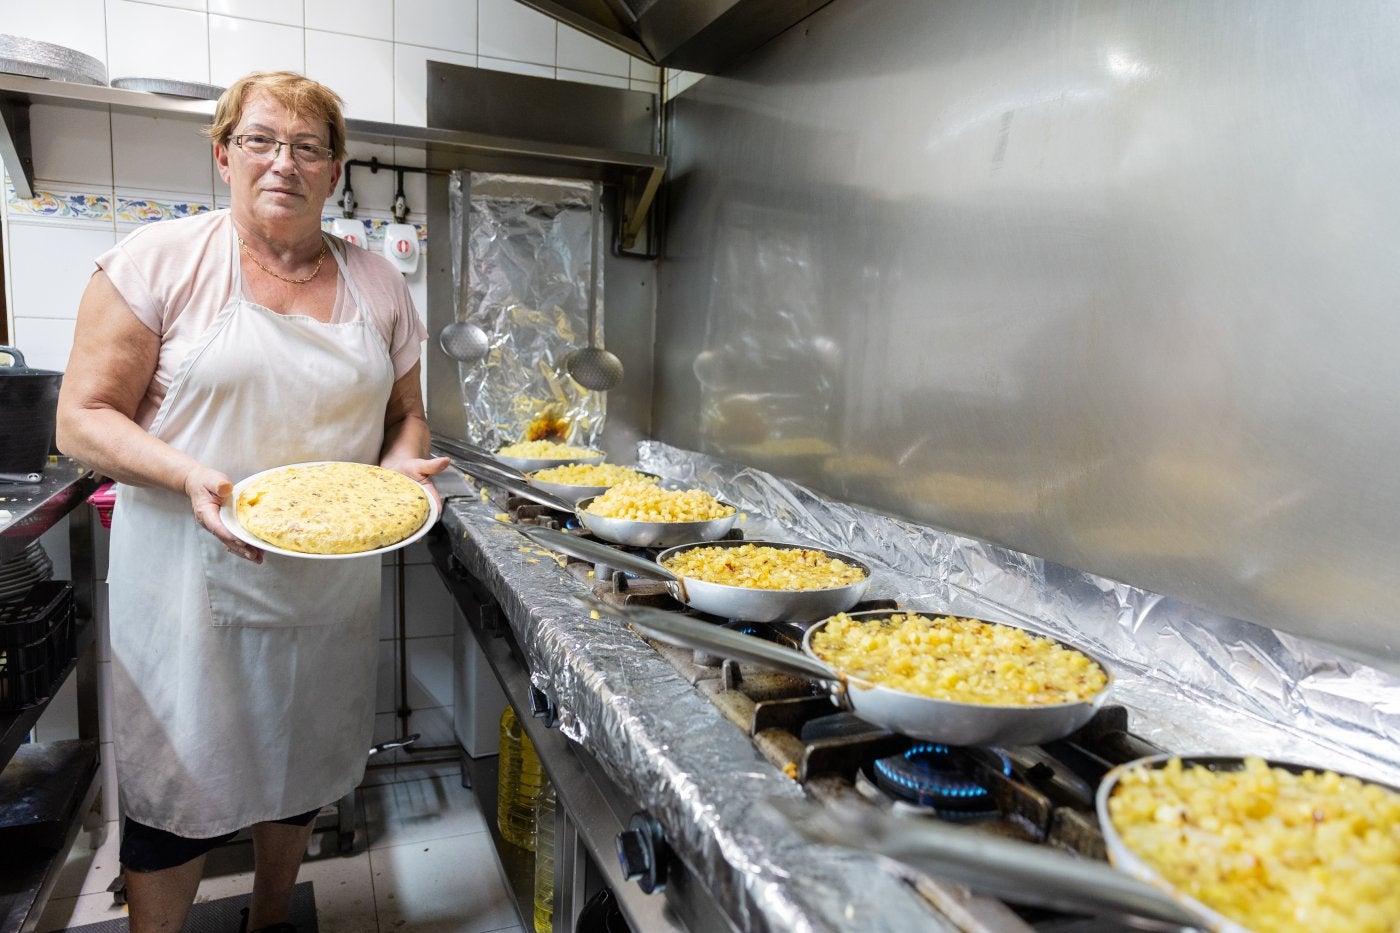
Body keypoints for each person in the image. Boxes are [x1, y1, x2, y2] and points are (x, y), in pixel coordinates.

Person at [55, 71, 448, 933]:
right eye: (263, 140)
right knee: (176, 785)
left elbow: (408, 415)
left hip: (325, 583)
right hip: (188, 582)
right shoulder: (160, 262)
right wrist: (190, 473)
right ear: (224, 153)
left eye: (309, 147)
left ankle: (271, 916)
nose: (285, 163)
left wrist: (400, 470)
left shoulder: (379, 284)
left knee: (301, 757)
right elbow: (82, 419)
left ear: (335, 169)